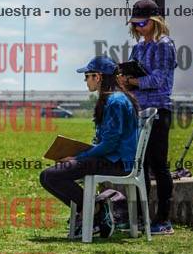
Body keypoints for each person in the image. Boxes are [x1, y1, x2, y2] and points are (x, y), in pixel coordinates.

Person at [40, 56, 139, 239]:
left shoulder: (115, 101)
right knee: (49, 176)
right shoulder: (114, 98)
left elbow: (110, 144)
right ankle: (95, 212)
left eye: (87, 76)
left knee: (49, 176)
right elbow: (107, 142)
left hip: (117, 163)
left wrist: (78, 157)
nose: (85, 81)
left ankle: (95, 210)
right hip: (111, 159)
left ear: (98, 77)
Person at [118, 0, 176, 235]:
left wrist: (132, 81)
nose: (139, 27)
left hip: (159, 110)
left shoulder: (165, 45)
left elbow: (158, 80)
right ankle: (141, 217)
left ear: (155, 21)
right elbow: (137, 82)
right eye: (135, 24)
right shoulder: (138, 48)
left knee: (159, 164)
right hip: (139, 110)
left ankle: (164, 219)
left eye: (143, 23)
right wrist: (124, 82)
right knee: (140, 165)